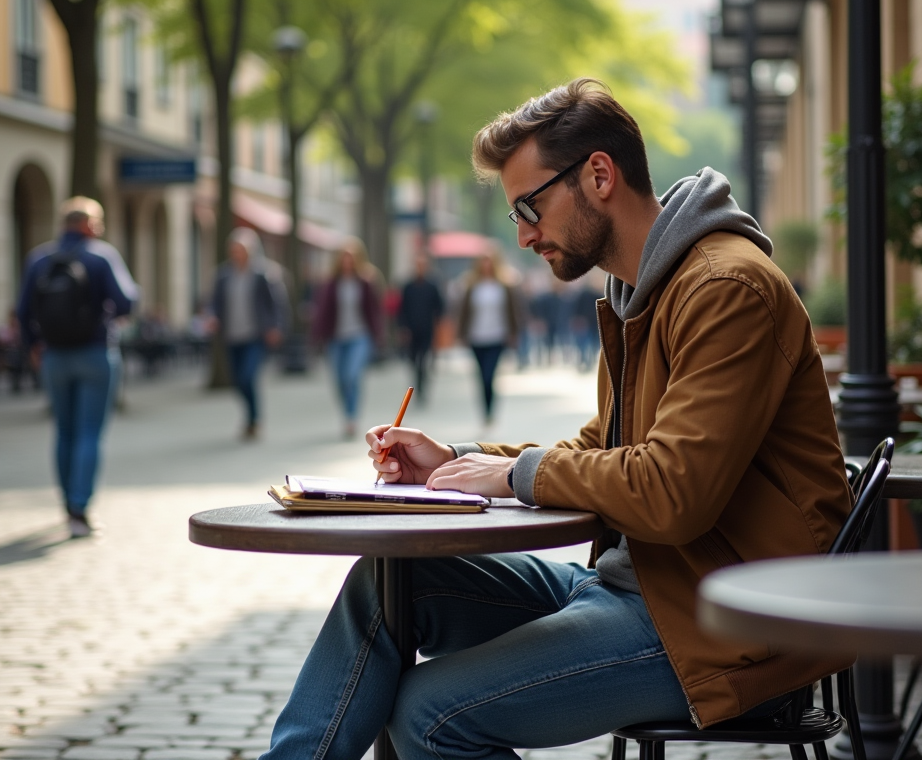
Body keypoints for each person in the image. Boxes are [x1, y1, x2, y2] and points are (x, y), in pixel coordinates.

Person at [260, 79, 851, 760]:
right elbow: (603, 449)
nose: (522, 235)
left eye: (528, 207)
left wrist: (511, 474)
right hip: (649, 587)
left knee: (430, 714)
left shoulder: (724, 288)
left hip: (729, 625)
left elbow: (671, 495)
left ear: (598, 174)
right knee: (389, 581)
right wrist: (457, 457)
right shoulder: (643, 288)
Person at [16, 197, 138, 538]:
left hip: (53, 356)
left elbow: (22, 311)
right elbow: (126, 301)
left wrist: (34, 348)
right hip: (96, 353)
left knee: (64, 431)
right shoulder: (101, 256)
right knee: (89, 433)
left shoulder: (39, 258)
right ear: (89, 225)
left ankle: (66, 502)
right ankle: (79, 509)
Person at [210, 227, 288, 441]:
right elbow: (214, 303)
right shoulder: (223, 275)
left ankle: (254, 419)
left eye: (241, 249)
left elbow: (277, 303)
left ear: (251, 250)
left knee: (247, 376)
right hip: (232, 336)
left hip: (255, 336)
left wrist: (276, 327)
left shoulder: (264, 274)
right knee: (237, 380)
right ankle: (251, 417)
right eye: (234, 249)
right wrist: (212, 317)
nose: (237, 253)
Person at [312, 239, 384, 439]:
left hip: (359, 336)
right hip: (335, 338)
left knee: (352, 376)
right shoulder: (330, 283)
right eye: (344, 257)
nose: (347, 262)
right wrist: (316, 335)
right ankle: (346, 410)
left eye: (351, 258)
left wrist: (378, 335)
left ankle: (351, 417)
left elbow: (375, 311)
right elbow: (322, 311)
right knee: (339, 379)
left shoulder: (367, 281)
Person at [457, 248, 522, 426]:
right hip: (476, 337)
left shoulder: (504, 285)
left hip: (497, 337)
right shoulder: (472, 285)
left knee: (489, 375)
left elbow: (513, 311)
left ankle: (490, 411)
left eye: (489, 260)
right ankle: (484, 411)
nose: (486, 264)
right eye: (483, 260)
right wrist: (461, 333)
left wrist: (514, 332)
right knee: (480, 376)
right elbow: (463, 312)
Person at [397, 254, 444, 405]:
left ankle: (422, 387)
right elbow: (402, 309)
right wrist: (403, 328)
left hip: (427, 329)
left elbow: (440, 308)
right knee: (413, 361)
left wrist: (439, 326)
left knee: (423, 360)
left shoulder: (432, 286)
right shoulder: (408, 287)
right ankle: (416, 384)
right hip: (412, 330)